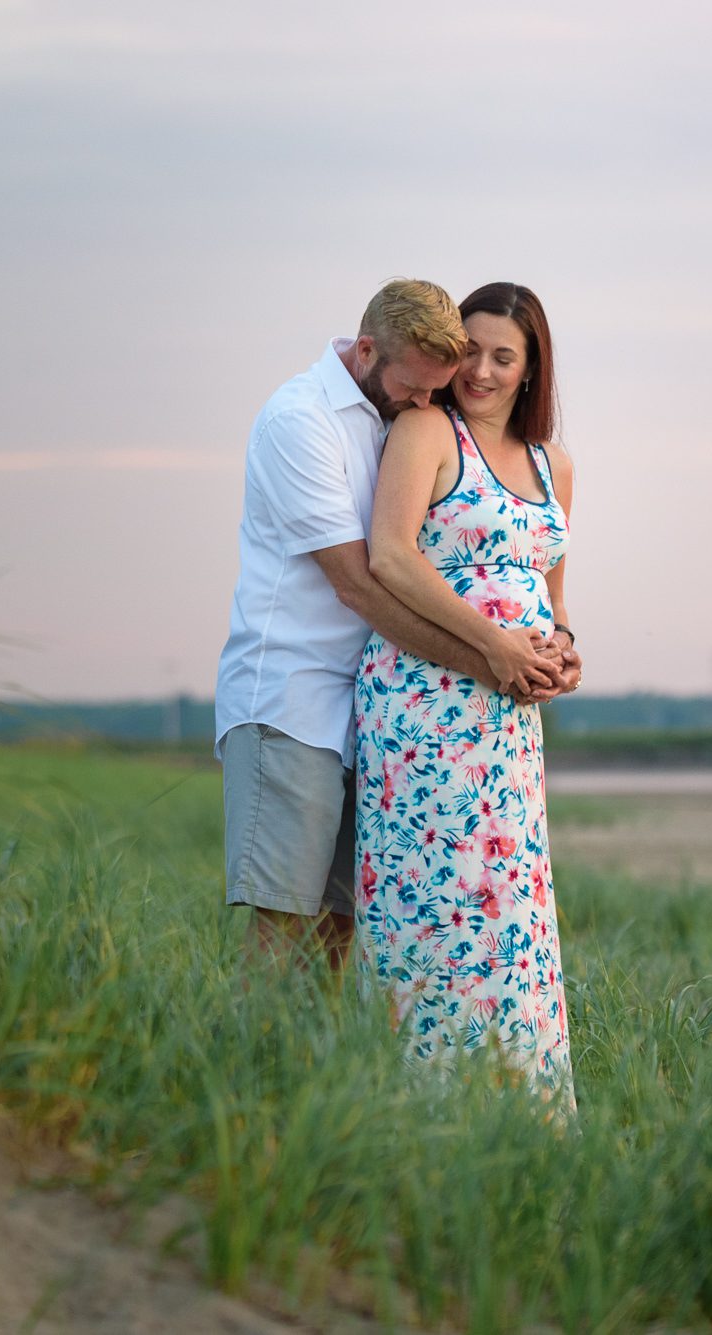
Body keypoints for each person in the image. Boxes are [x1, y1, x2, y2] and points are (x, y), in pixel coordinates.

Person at [215, 279, 577, 971]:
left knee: (338, 933)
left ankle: (320, 1076)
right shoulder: (303, 419)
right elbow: (360, 583)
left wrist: (554, 644)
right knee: (281, 924)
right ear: (369, 350)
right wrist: (488, 656)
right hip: (291, 699)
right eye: (413, 389)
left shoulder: (397, 413)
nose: (425, 403)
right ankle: (250, 1071)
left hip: (370, 713)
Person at [351, 281, 578, 1107]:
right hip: (424, 709)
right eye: (470, 350)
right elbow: (391, 555)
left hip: (508, 722)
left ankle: (519, 1111)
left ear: (530, 368)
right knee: (433, 903)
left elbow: (550, 596)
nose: (480, 369)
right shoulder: (425, 430)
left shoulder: (556, 466)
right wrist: (489, 642)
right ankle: (419, 1109)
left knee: (509, 913)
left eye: (502, 355)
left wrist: (562, 650)